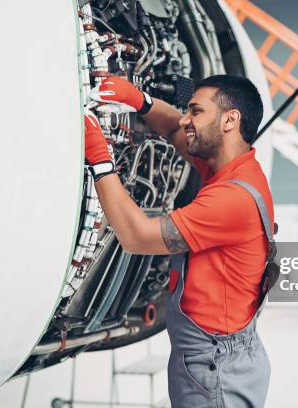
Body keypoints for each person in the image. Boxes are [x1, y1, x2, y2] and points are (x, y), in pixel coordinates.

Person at [84, 74, 274, 407]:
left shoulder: (232, 198)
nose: (186, 118)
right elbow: (173, 129)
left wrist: (101, 164)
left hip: (215, 365)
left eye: (196, 111)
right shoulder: (229, 167)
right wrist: (140, 101)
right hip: (214, 354)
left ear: (230, 120)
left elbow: (137, 237)